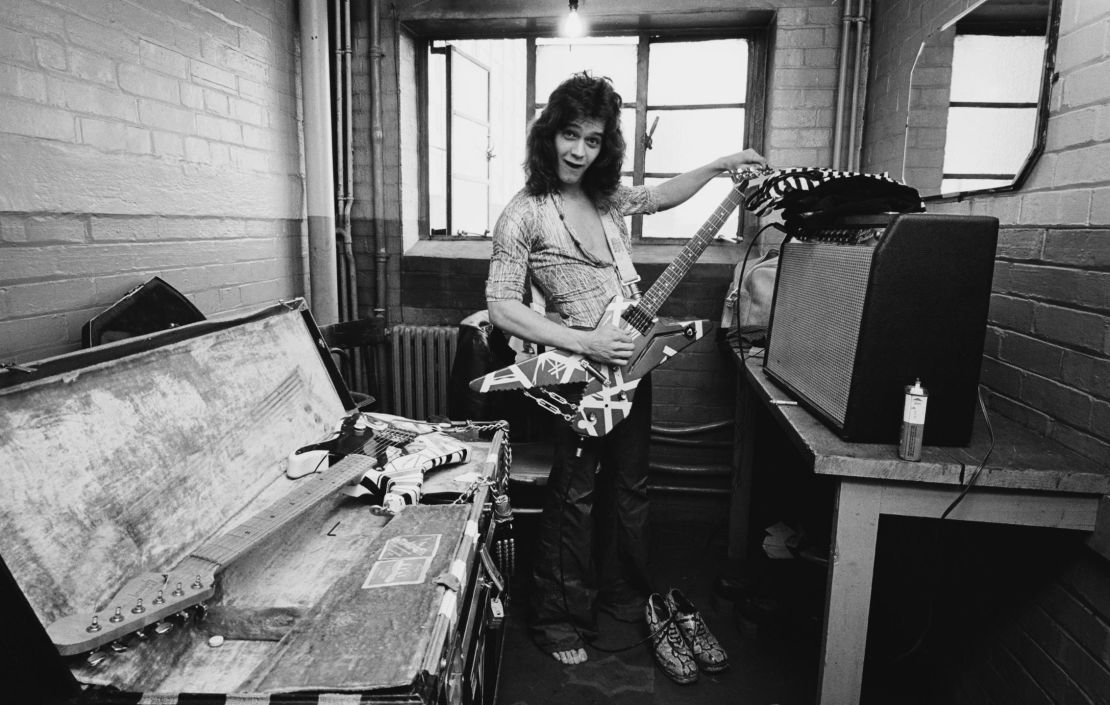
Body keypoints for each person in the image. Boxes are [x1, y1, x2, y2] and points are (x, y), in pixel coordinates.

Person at [484, 71, 767, 665]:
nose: (578, 151)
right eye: (569, 136)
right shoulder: (523, 213)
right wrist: (586, 341)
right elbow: (502, 306)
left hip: (634, 367)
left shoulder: (603, 195)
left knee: (633, 488)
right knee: (575, 496)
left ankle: (623, 601)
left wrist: (719, 166)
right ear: (548, 134)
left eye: (592, 140)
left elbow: (661, 196)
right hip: (579, 377)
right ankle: (558, 621)